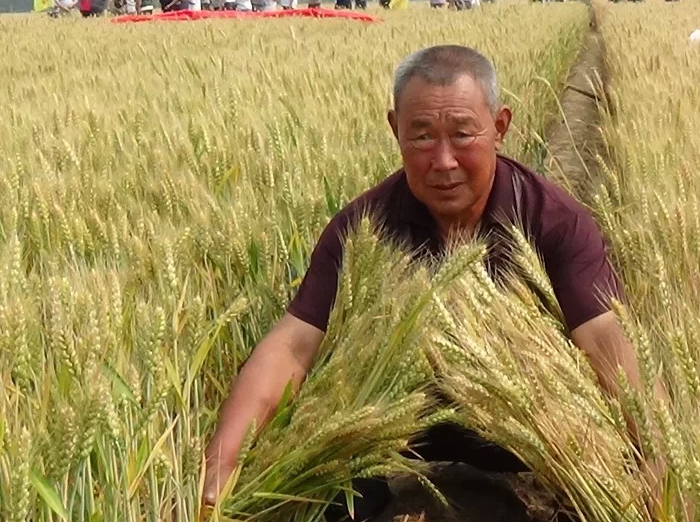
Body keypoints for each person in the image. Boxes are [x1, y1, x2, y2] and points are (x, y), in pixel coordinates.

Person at [201, 45, 657, 521]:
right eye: (421, 136)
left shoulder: (554, 222)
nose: (443, 161)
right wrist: (218, 476)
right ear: (395, 128)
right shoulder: (362, 230)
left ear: (500, 126)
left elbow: (607, 339)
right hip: (394, 433)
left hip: (528, 429)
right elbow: (293, 345)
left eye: (462, 134)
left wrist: (658, 470)